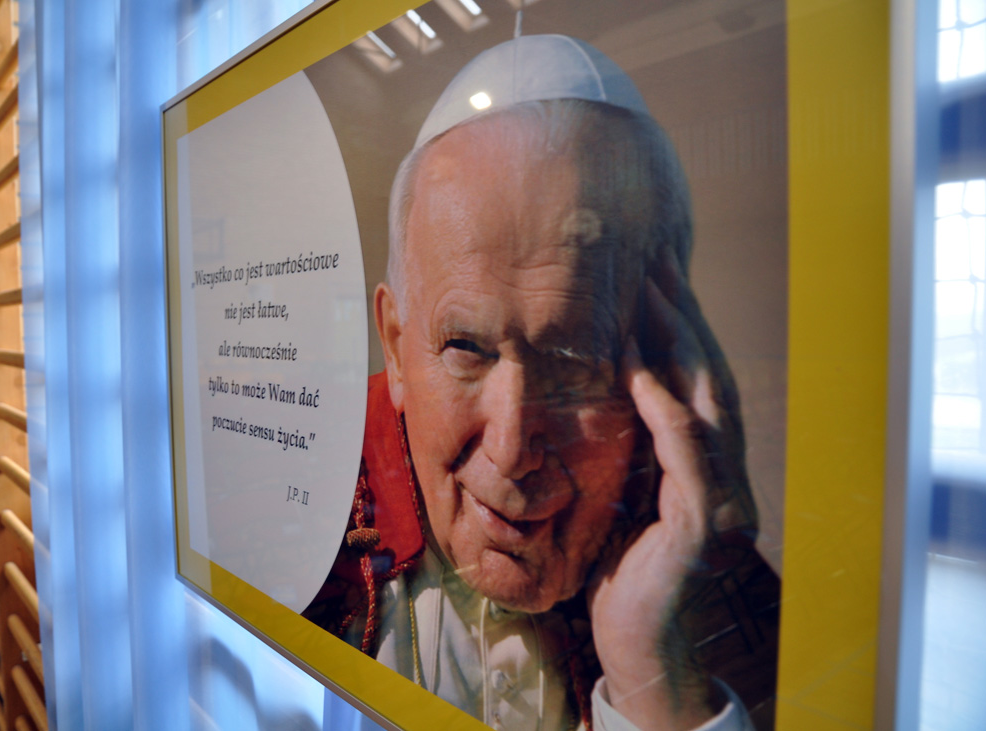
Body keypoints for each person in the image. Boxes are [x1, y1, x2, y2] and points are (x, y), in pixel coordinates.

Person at [304, 35, 780, 731]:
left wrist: (652, 674)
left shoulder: (719, 583)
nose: (511, 448)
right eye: (466, 347)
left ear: (666, 363)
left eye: (574, 358)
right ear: (396, 347)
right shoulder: (303, 525)